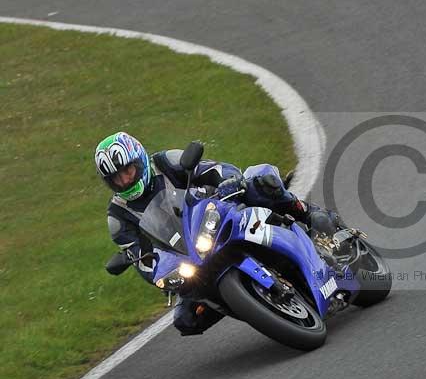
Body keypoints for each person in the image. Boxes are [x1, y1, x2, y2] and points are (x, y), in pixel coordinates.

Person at [95, 132, 339, 336]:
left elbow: (215, 169)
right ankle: (255, 304)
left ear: (139, 160)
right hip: (188, 256)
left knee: (262, 182)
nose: (125, 180)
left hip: (217, 212)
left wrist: (229, 181)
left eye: (128, 170)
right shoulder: (118, 217)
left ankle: (306, 213)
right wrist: (157, 273)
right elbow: (143, 261)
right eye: (116, 178)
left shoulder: (166, 162)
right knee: (186, 320)